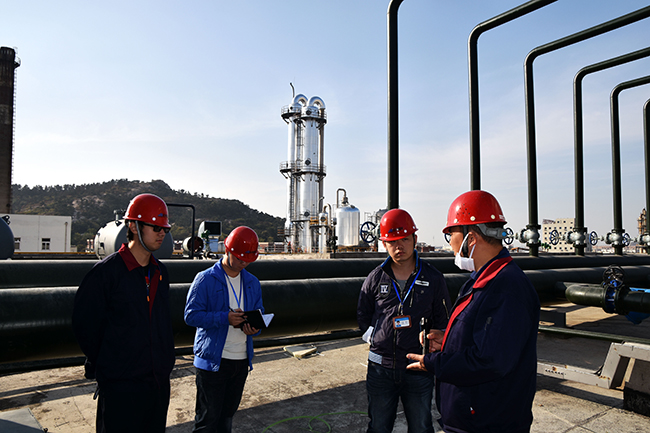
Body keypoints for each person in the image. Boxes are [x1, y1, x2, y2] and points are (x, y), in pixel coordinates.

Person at [406, 190, 540, 433]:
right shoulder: (482, 280)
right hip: (473, 418)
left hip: (488, 423)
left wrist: (434, 363)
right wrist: (447, 340)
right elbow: (485, 337)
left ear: (471, 238)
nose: (450, 244)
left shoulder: (506, 288)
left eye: (451, 235)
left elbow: (489, 361)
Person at [72, 193, 176, 433]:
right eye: (155, 227)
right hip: (120, 389)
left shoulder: (160, 273)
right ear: (133, 226)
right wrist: (112, 365)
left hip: (157, 386)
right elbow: (85, 326)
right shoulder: (106, 274)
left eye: (165, 229)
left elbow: (162, 324)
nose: (162, 233)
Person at [357, 209, 451, 433]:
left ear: (415, 239)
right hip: (381, 368)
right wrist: (375, 337)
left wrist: (432, 346)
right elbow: (363, 313)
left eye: (405, 239)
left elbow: (443, 319)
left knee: (421, 427)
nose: (399, 246)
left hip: (418, 367)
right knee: (378, 427)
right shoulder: (375, 278)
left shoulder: (433, 278)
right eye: (392, 242)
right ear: (384, 244)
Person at [184, 226, 264, 433]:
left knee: (226, 417)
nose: (243, 263)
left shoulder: (252, 282)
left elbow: (260, 314)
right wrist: (224, 318)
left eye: (248, 259)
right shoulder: (205, 279)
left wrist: (253, 329)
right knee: (207, 421)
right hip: (213, 363)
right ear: (227, 250)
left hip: (240, 362)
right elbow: (191, 315)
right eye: (239, 258)